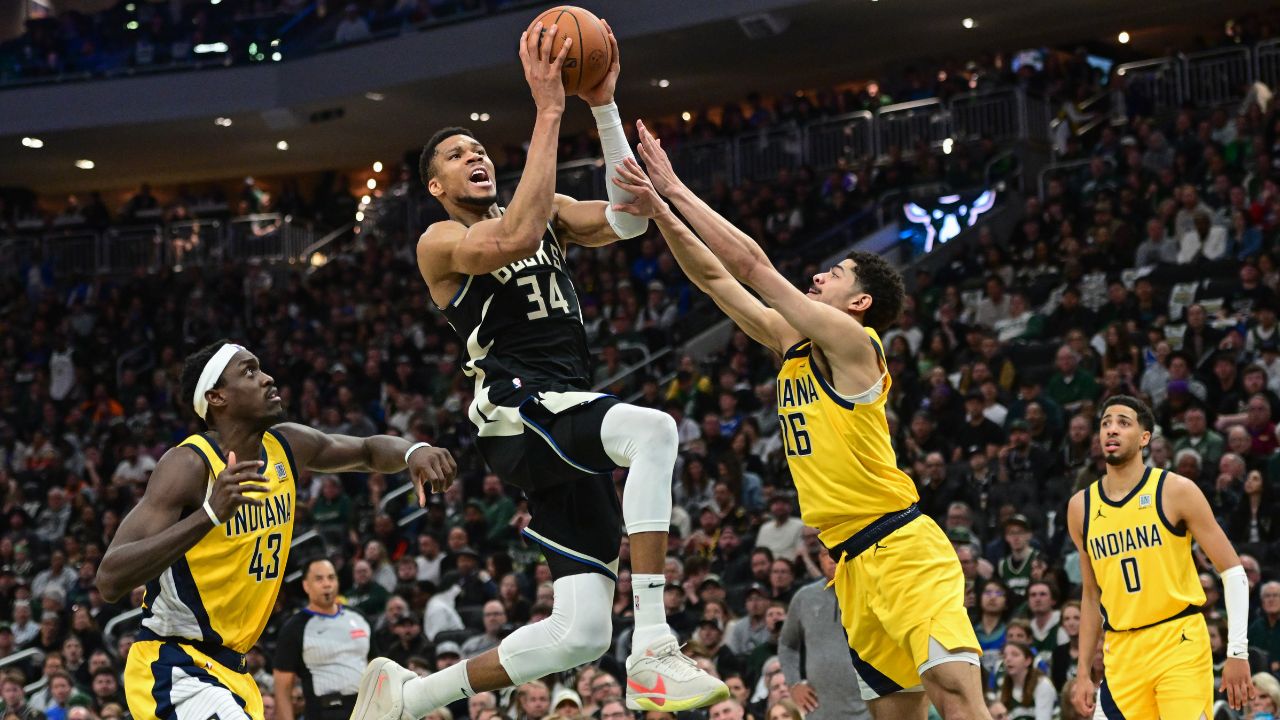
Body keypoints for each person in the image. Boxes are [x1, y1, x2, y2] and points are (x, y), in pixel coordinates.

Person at [350, 21, 725, 720]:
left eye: (480, 150)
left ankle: (408, 696)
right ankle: (653, 645)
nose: (475, 158)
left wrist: (602, 106)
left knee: (579, 632)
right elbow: (515, 236)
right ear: (435, 185)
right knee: (653, 431)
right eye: (458, 156)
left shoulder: (545, 209)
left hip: (559, 412)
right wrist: (550, 108)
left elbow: (627, 221)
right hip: (519, 407)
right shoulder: (441, 239)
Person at [614, 121, 988, 719]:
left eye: (833, 275)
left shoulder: (854, 342)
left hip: (904, 548)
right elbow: (715, 278)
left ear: (858, 303)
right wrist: (660, 215)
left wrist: (674, 188)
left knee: (952, 688)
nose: (817, 277)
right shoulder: (790, 343)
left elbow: (756, 267)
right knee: (895, 713)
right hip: (851, 566)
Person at [96, 341, 456, 720]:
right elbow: (110, 578)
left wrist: (412, 451)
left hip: (234, 672)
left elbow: (366, 450)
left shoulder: (288, 444)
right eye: (249, 371)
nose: (267, 378)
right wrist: (209, 515)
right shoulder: (189, 464)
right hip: (174, 663)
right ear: (217, 397)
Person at [1067, 395, 1255, 718]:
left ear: (1144, 438)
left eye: (1123, 423)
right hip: (1121, 651)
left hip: (1178, 641)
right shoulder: (1080, 507)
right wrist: (1083, 671)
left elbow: (1233, 570)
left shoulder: (1175, 490)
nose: (1111, 429)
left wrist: (1238, 651)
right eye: (1105, 423)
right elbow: (1090, 593)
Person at [273, 558, 372, 720]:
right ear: (306, 585)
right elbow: (282, 688)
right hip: (324, 711)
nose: (327, 584)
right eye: (319, 579)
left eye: (331, 577)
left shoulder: (359, 617)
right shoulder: (294, 627)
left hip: (366, 710)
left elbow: (376, 665)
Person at [777, 551, 870, 720]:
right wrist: (794, 684)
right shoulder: (804, 597)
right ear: (819, 560)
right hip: (819, 711)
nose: (832, 559)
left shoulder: (870, 590)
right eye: (825, 554)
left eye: (837, 551)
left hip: (867, 709)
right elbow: (786, 644)